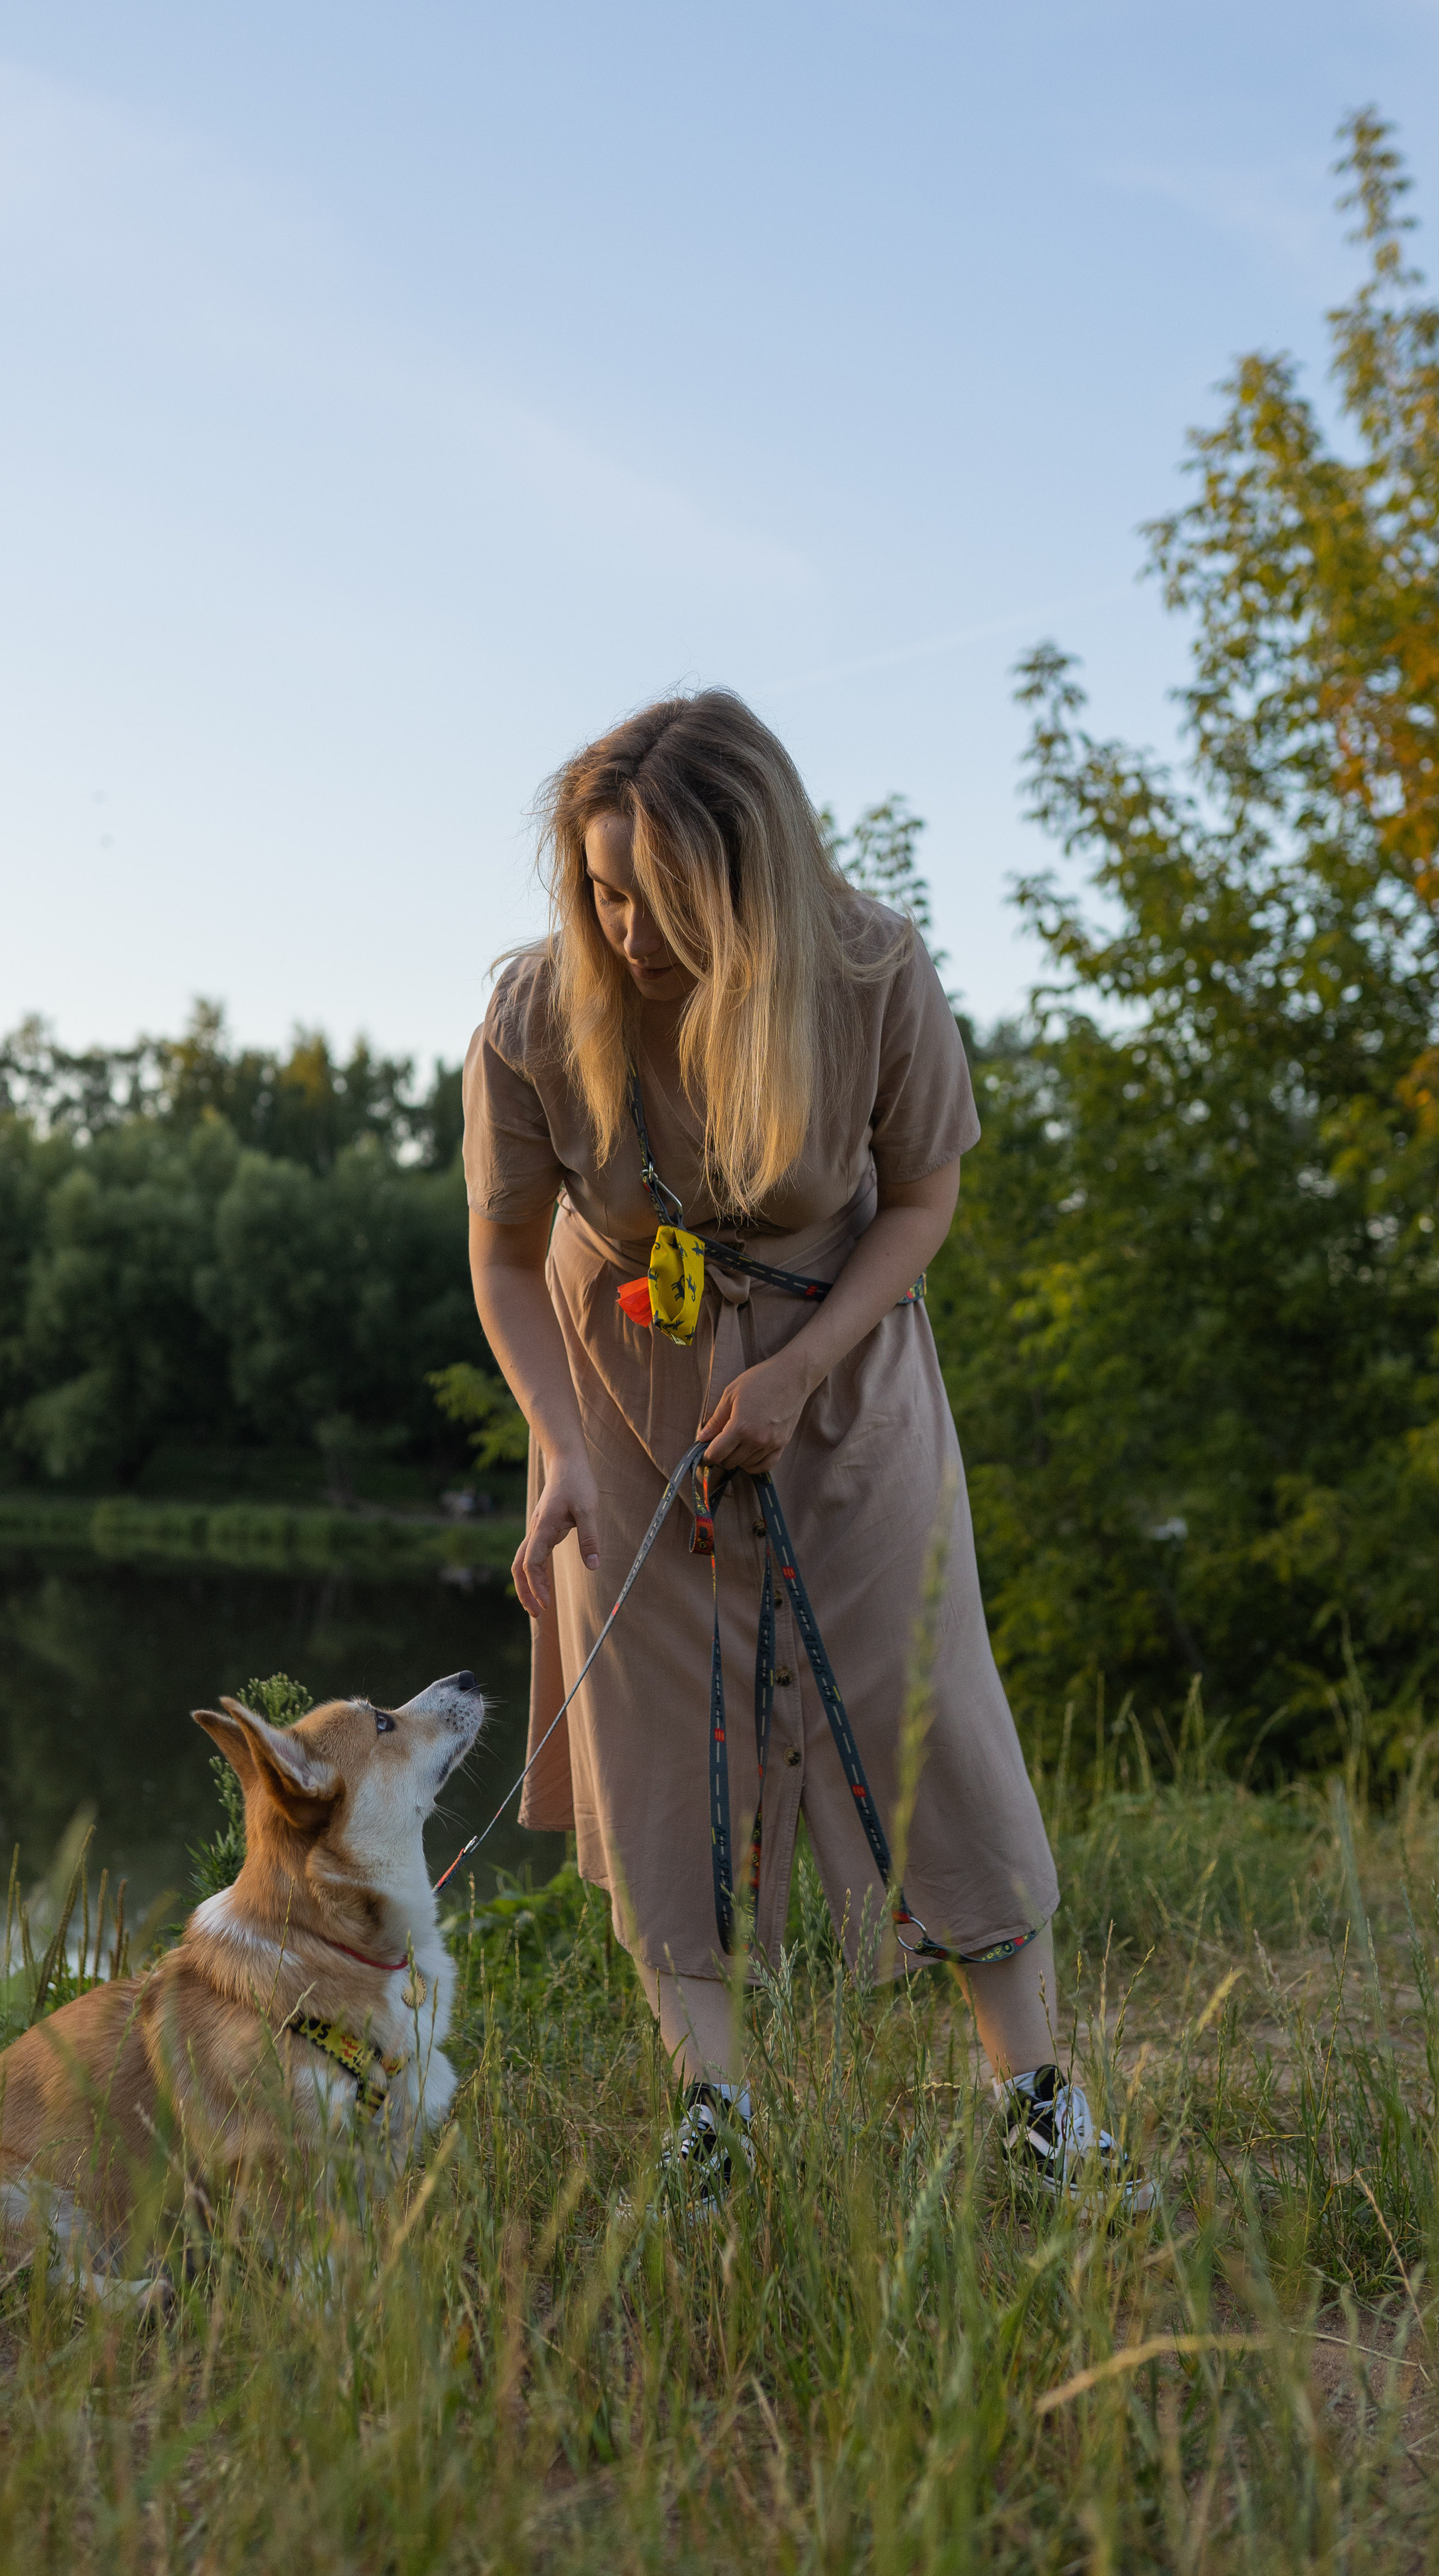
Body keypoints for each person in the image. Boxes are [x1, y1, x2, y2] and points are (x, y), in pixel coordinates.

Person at [462, 691, 1149, 2210]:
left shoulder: (867, 970)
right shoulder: (529, 1011)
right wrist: (559, 1445)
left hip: (844, 1384)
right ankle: (715, 2116)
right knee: (651, 1748)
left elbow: (920, 1202)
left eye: (661, 894)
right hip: (616, 1411)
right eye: (599, 887)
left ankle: (1036, 2110)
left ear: (751, 880)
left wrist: (800, 1368)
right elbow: (505, 1259)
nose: (625, 925)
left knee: (929, 1718)